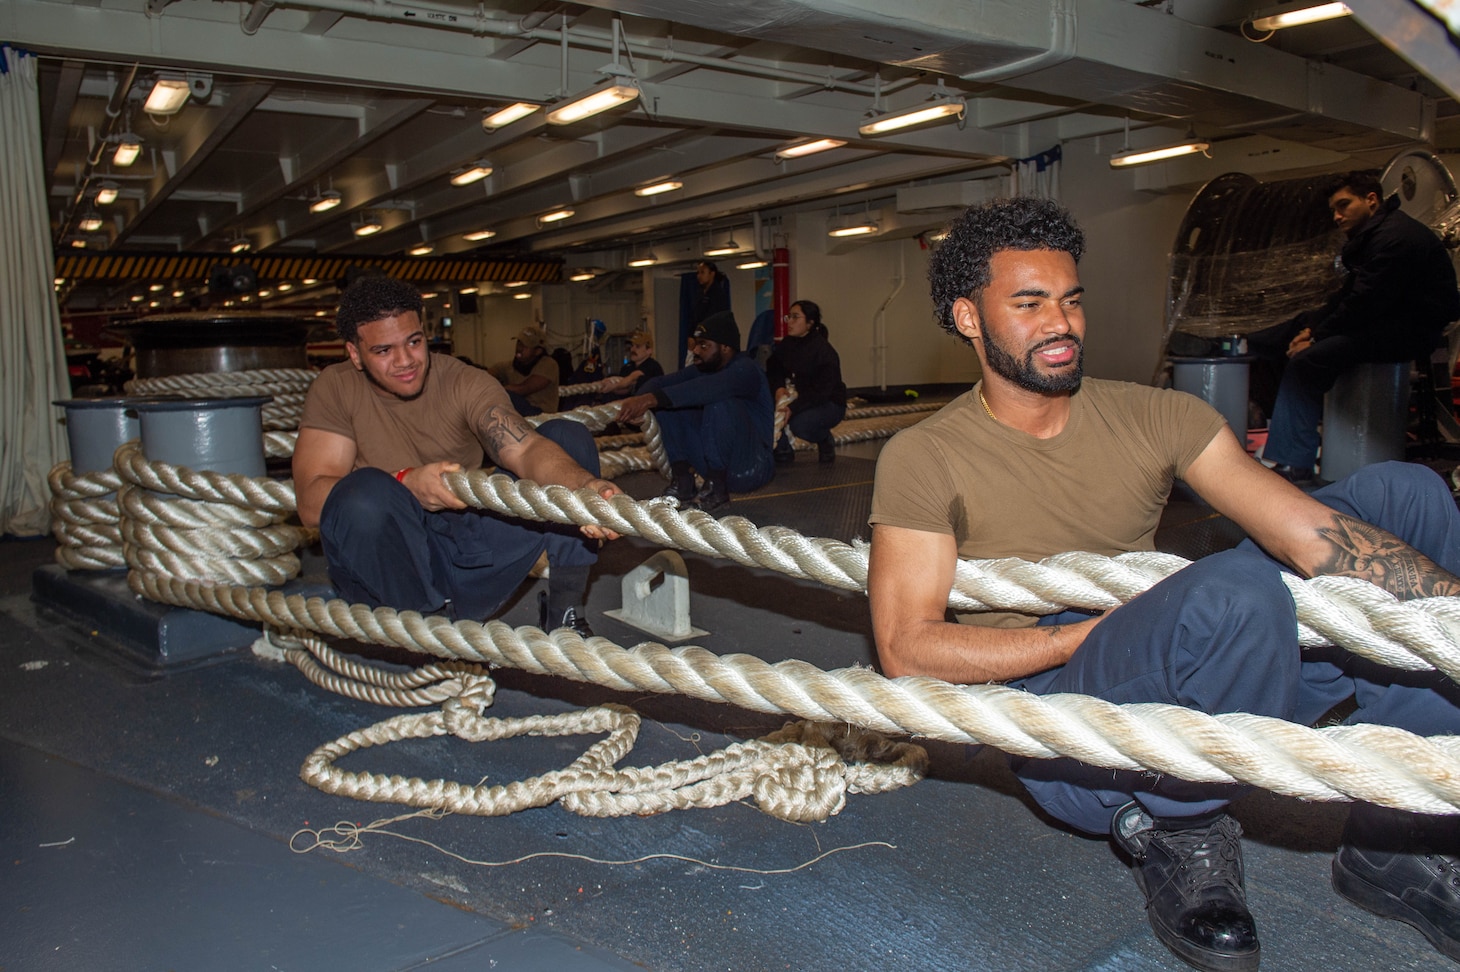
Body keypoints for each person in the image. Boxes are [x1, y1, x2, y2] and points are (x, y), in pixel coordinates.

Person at [867, 196, 1460, 972]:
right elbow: (907, 649)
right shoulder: (926, 456)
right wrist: (1090, 631)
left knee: (1404, 494)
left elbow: (1302, 530)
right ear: (970, 319)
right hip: (1076, 723)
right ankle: (1180, 828)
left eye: (1072, 300)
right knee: (1230, 595)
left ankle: (1400, 834)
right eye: (1030, 303)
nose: (1062, 322)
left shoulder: (1155, 416)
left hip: (1206, 654)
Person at [293, 276, 620, 636]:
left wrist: (587, 486)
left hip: (465, 549)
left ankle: (564, 612)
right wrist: (406, 484)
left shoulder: (462, 380)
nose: (405, 361)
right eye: (383, 351)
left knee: (566, 437)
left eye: (414, 342)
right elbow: (311, 502)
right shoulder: (336, 388)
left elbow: (524, 448)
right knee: (365, 493)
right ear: (354, 353)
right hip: (390, 564)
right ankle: (428, 634)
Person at [1251, 170, 1459, 483]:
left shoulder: (1395, 238)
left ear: (1371, 200)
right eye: (1334, 209)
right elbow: (1349, 294)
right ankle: (1244, 343)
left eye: (1344, 205)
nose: (1337, 216)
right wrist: (1311, 328)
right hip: (1386, 323)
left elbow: (1366, 301)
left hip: (1407, 332)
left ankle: (1294, 463)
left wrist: (1317, 339)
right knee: (1298, 325)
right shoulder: (1378, 234)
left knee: (1307, 363)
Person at [617, 310, 774, 514]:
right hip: (717, 466)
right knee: (668, 403)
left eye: (704, 345)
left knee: (717, 402)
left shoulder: (746, 370)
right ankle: (684, 481)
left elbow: (710, 388)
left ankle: (716, 490)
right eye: (697, 345)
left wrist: (649, 399)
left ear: (725, 347)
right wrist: (637, 402)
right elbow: (661, 383)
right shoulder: (704, 369)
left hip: (752, 466)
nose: (696, 351)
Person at [765, 299, 848, 463]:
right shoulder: (788, 344)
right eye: (789, 317)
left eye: (796, 317)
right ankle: (782, 450)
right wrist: (779, 388)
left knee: (800, 424)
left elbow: (821, 392)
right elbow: (774, 366)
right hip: (799, 397)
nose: (790, 322)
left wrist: (793, 407)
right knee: (767, 407)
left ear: (809, 323)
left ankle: (824, 439)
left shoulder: (824, 351)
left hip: (827, 403)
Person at [489, 325, 560, 416]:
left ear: (537, 351)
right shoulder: (507, 366)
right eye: (519, 343)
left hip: (541, 415)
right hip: (518, 413)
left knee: (506, 396)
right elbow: (486, 377)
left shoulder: (549, 364)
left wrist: (496, 388)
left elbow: (524, 389)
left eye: (525, 346)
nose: (519, 348)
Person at [598, 330, 664, 398]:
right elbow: (625, 389)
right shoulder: (627, 367)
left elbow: (633, 378)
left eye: (638, 346)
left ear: (649, 350)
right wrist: (608, 386)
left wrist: (614, 386)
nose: (632, 349)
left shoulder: (652, 366)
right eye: (632, 346)